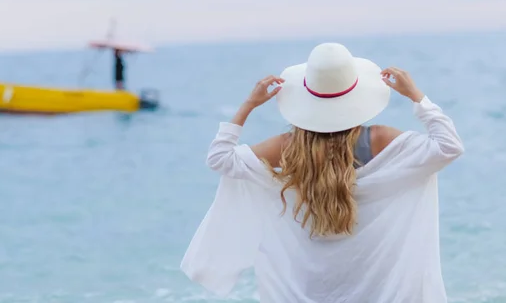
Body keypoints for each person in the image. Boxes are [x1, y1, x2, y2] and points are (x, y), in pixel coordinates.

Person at [181, 43, 464, 302]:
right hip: (372, 287)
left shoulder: (287, 147)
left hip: (305, 289)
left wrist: (249, 105)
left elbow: (220, 159)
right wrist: (416, 95)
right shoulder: (380, 139)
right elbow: (449, 146)